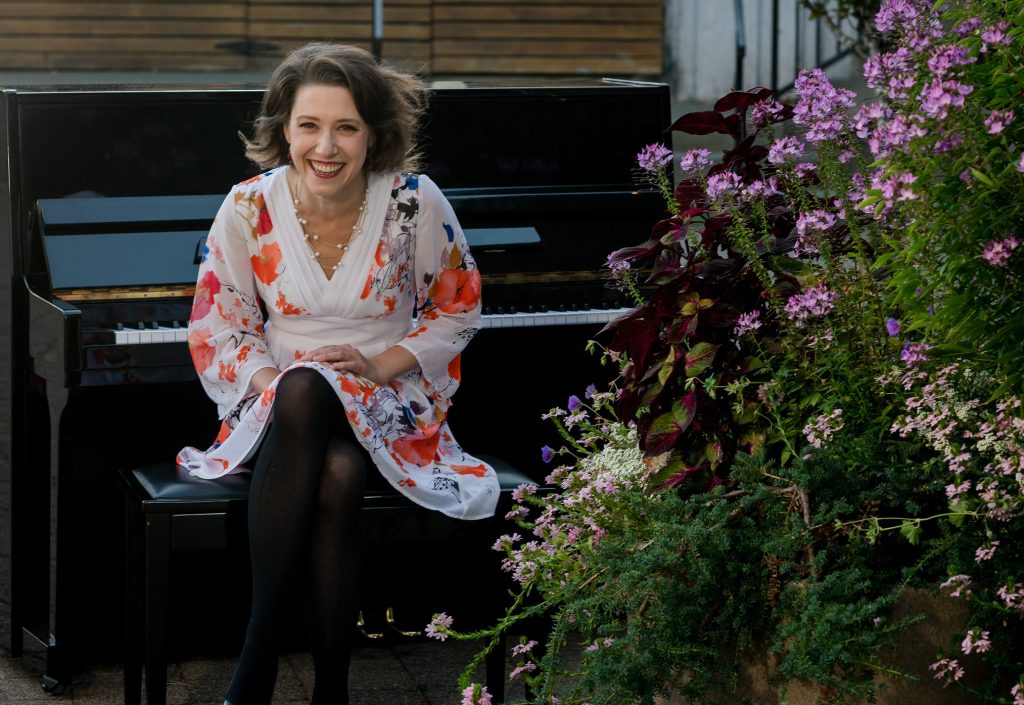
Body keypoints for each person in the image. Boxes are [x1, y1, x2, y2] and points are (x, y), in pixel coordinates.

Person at [176, 42, 499, 705]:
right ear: (284, 129)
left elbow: (458, 307)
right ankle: (328, 691)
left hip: (387, 398)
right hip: (279, 401)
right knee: (321, 435)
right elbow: (219, 323)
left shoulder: (415, 201)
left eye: (346, 126)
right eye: (310, 126)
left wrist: (378, 363)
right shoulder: (246, 207)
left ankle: (259, 655)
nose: (327, 146)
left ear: (374, 133)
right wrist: (271, 385)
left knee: (330, 431)